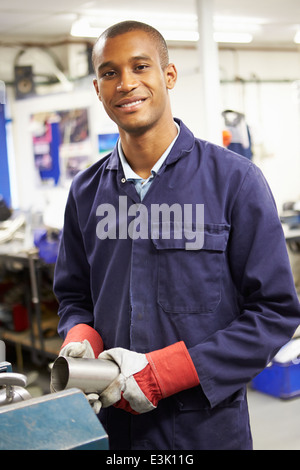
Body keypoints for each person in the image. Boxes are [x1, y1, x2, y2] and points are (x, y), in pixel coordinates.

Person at [53, 20, 300, 450]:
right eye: (110, 73)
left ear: (168, 76)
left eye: (141, 66)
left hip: (206, 430)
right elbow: (75, 297)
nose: (126, 83)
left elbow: (274, 312)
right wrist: (81, 337)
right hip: (114, 432)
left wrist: (166, 373)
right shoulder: (86, 191)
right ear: (98, 89)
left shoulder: (235, 182)